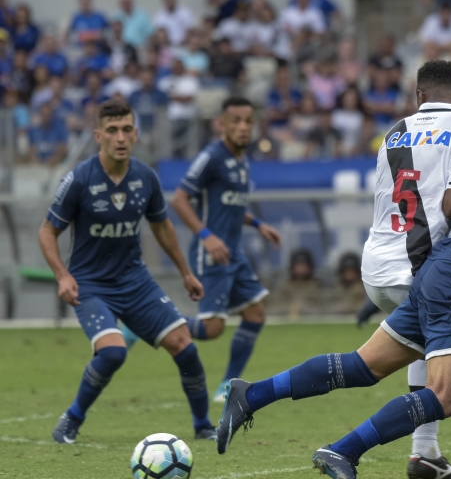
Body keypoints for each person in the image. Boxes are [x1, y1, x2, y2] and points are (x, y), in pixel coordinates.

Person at [215, 66, 451, 479]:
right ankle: (366, 451)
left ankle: (254, 394)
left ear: (417, 94)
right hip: (442, 267)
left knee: (368, 365)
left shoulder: (394, 132)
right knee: (445, 393)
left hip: (381, 262)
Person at [41, 100, 215, 444]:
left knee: (186, 347)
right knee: (113, 352)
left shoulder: (145, 177)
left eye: (126, 130)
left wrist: (185, 273)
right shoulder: (79, 179)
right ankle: (71, 419)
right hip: (91, 285)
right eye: (112, 131)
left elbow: (162, 227)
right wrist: (63, 274)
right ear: (98, 136)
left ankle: (204, 426)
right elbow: (47, 231)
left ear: (135, 134)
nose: (120, 137)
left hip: (135, 282)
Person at [171, 97, 282, 402]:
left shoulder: (242, 161)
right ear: (222, 124)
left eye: (248, 121)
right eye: (236, 121)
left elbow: (230, 207)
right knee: (212, 328)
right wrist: (206, 235)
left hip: (234, 252)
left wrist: (258, 224)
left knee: (255, 314)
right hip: (213, 253)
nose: (243, 127)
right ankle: (154, 321)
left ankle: (227, 386)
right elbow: (179, 200)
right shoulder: (211, 156)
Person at [128, 66, 170, 132]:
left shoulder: (161, 95)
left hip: (156, 130)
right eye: (144, 79)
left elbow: (164, 114)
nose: (147, 82)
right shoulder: (134, 95)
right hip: (139, 131)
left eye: (149, 79)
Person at [27, 101, 68, 167]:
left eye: (48, 114)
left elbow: (63, 149)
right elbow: (31, 150)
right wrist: (35, 162)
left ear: (52, 115)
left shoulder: (59, 129)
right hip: (38, 165)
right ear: (40, 115)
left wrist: (55, 160)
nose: (46, 117)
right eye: (43, 114)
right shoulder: (33, 131)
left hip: (56, 166)